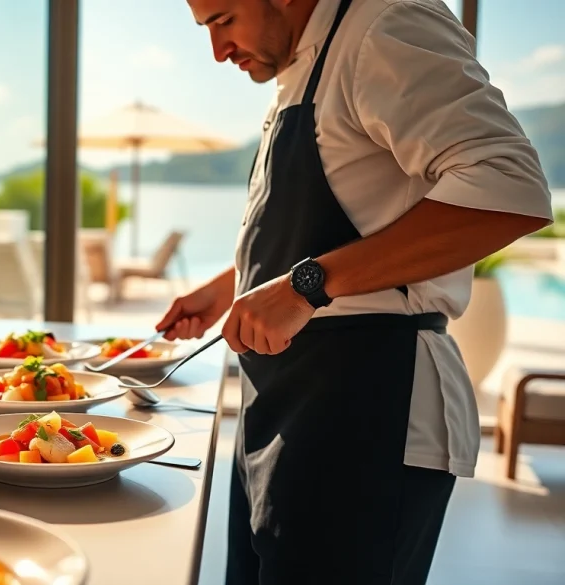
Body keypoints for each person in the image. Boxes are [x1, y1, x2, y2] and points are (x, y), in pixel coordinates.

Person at [161, 0, 554, 583]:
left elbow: (508, 189)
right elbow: (346, 212)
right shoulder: (300, 65)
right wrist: (233, 286)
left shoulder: (386, 23)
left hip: (368, 413)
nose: (218, 51)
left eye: (223, 20)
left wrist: (304, 287)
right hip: (281, 407)